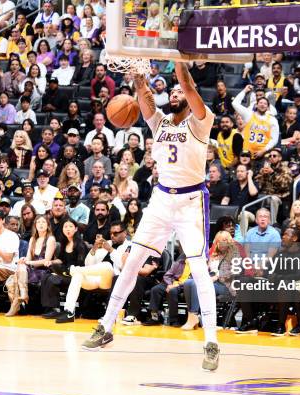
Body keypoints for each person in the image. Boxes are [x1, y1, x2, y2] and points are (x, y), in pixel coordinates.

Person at [82, 62, 220, 371]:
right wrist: (138, 72)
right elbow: (144, 94)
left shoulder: (201, 121)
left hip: (190, 200)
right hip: (161, 198)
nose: (173, 93)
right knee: (131, 262)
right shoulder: (159, 123)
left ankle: (211, 341)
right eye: (169, 91)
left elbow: (186, 84)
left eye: (177, 91)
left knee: (199, 269)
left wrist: (177, 56)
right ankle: (106, 326)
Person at [5, 215, 56, 316]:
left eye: (43, 222)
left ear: (48, 225)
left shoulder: (50, 239)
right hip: (30, 269)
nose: (41, 224)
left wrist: (28, 262)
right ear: (35, 225)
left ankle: (17, 304)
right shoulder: (33, 239)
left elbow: (46, 260)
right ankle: (21, 297)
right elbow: (28, 258)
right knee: (17, 273)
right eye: (38, 222)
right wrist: (24, 260)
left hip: (42, 269)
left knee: (17, 275)